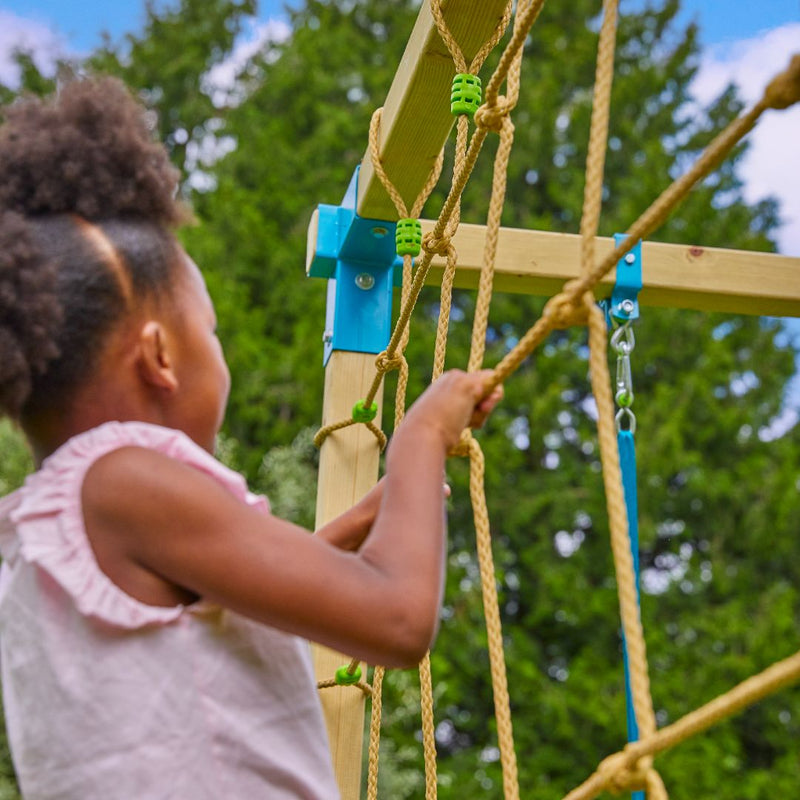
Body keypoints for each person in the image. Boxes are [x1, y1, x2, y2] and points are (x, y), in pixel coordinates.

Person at [0, 77, 502, 799]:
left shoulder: (40, 530)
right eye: (209, 330)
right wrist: (418, 435)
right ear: (159, 357)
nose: (216, 348)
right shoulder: (126, 481)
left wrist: (359, 524)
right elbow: (396, 619)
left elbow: (210, 615)